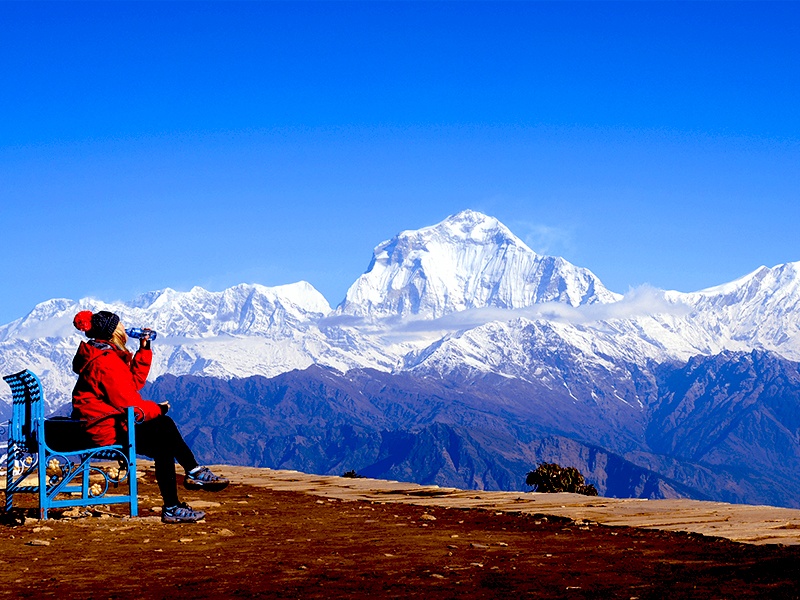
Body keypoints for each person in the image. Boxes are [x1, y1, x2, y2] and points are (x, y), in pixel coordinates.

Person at [71, 310, 229, 523]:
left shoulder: (102, 354)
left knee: (163, 435)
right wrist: (158, 408)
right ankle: (189, 480)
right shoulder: (105, 361)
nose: (125, 329)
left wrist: (144, 350)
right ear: (113, 332)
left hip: (103, 423)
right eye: (120, 325)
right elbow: (130, 405)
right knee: (163, 430)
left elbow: (132, 383)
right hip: (104, 429)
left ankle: (182, 491)